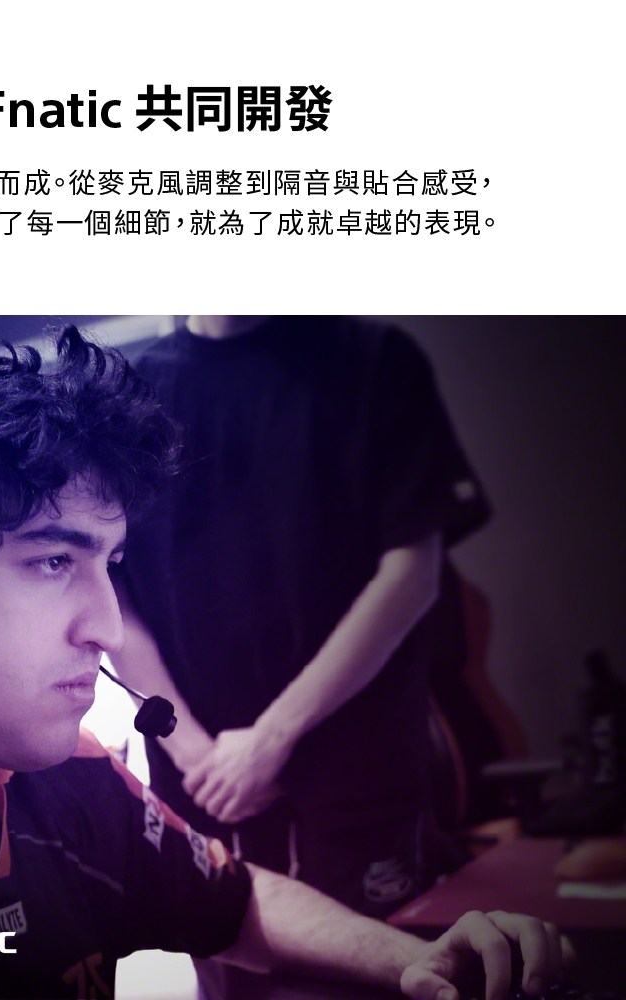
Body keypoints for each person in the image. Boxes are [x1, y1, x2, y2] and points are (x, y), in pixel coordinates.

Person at [0, 329, 564, 999]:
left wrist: (414, 962)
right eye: (51, 562)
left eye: (109, 565)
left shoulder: (73, 778)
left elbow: (234, 903)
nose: (107, 627)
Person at [112, 316, 492, 995]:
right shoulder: (128, 391)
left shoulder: (374, 360)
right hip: (201, 789)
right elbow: (114, 596)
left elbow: (412, 574)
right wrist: (192, 751)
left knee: (394, 978)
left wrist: (272, 739)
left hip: (354, 783)